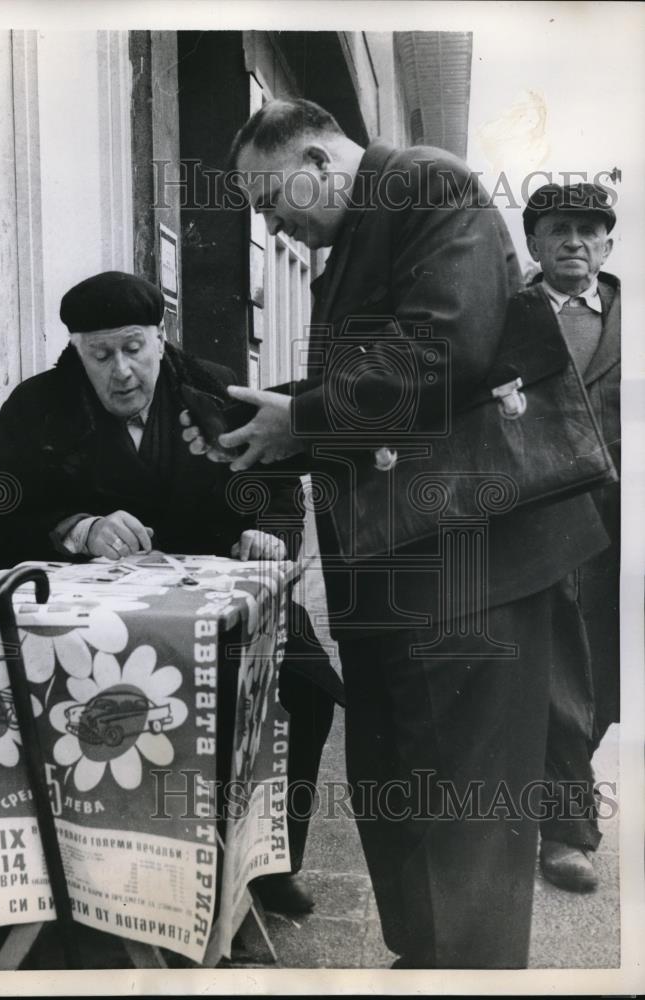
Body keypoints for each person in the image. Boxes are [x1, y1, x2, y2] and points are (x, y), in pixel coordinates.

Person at [182, 98, 612, 967]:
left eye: (271, 201)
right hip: (408, 567)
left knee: (462, 801)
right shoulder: (368, 226)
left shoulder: (424, 183)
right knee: (402, 785)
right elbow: (382, 391)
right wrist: (260, 425)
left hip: (470, 568)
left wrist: (298, 418)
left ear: (314, 153)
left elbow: (440, 353)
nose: (273, 225)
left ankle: (468, 974)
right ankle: (427, 961)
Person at [0, 270, 344, 916]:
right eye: (99, 355)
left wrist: (263, 535)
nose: (120, 371)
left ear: (160, 338)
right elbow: (6, 519)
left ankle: (269, 862)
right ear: (76, 351)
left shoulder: (213, 388)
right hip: (103, 620)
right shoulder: (36, 407)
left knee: (306, 684)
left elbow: (280, 488)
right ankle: (119, 873)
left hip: (227, 599)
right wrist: (79, 528)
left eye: (134, 349)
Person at [517, 183, 620, 892]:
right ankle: (566, 828)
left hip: (623, 523)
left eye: (588, 230)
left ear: (608, 244)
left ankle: (565, 791)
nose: (574, 243)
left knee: (608, 672)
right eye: (558, 229)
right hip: (537, 517)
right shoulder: (503, 316)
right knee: (555, 668)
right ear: (533, 243)